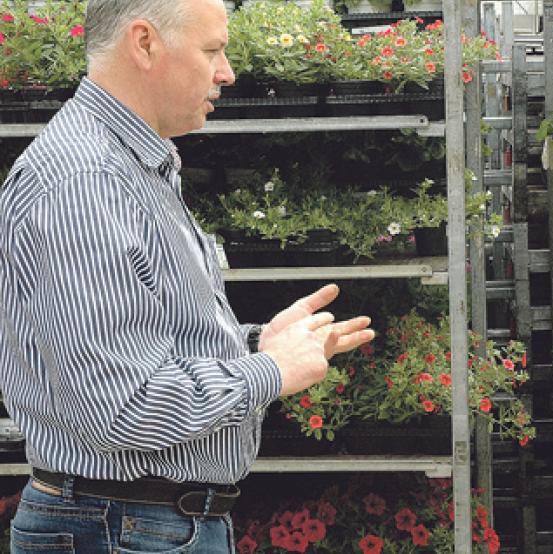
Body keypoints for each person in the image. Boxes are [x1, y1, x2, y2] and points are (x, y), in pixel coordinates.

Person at [0, 1, 374, 552]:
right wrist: (268, 371)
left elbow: (148, 340)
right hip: (121, 527)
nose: (227, 72)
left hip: (137, 524)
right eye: (212, 50)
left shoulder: (130, 166)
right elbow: (120, 408)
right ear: (145, 43)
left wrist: (255, 344)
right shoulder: (86, 183)